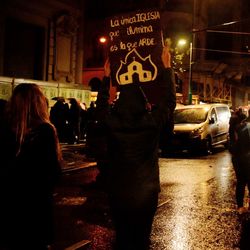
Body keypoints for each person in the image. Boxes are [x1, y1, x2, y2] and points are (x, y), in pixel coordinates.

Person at [95, 46, 176, 250]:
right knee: (141, 239)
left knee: (122, 237)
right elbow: (169, 102)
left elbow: (101, 108)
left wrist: (106, 79)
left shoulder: (112, 123)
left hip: (119, 191)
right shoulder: (151, 123)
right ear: (143, 104)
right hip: (145, 193)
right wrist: (167, 69)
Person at [0, 83, 62, 250]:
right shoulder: (45, 131)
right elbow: (52, 174)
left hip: (8, 207)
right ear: (38, 103)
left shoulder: (5, 129)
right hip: (35, 209)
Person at [229, 108, 249, 214]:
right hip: (245, 158)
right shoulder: (244, 129)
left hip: (237, 158)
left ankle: (240, 207)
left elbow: (231, 147)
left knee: (241, 182)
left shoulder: (233, 129)